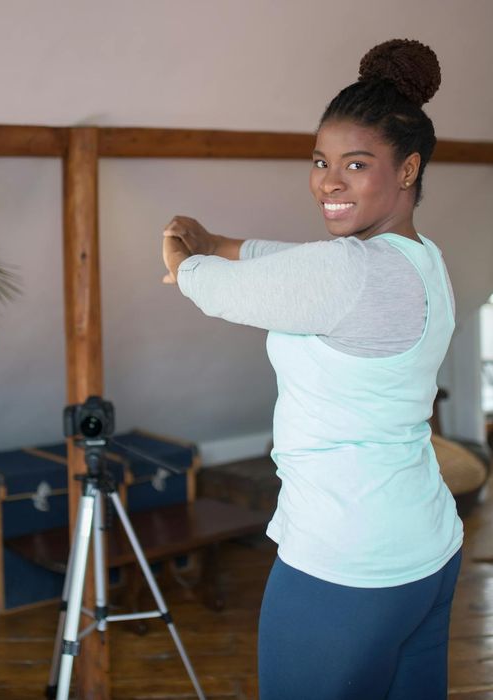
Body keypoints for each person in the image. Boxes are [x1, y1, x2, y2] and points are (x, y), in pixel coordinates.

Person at [161, 38, 463, 699]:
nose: (329, 180)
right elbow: (297, 265)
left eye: (356, 164)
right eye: (321, 161)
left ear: (407, 169)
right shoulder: (422, 260)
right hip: (427, 550)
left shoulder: (349, 270)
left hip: (345, 565)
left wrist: (186, 259)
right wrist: (221, 243)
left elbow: (225, 289)